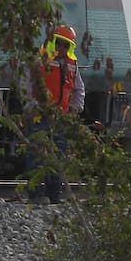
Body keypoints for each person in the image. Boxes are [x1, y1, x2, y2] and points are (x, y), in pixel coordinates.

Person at [27, 24, 85, 204]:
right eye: (59, 43)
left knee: (58, 156)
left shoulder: (71, 65)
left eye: (65, 45)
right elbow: (26, 84)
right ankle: (36, 194)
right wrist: (31, 106)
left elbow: (79, 90)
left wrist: (74, 110)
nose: (61, 48)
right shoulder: (40, 60)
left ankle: (54, 195)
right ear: (53, 42)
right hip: (40, 115)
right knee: (36, 155)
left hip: (60, 118)